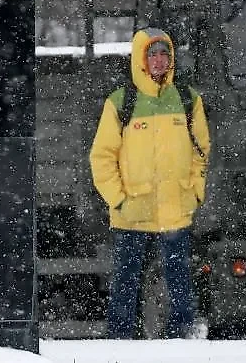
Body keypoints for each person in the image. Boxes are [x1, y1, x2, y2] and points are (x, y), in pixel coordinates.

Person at [89, 27, 211, 339]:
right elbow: (102, 157)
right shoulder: (121, 102)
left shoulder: (187, 99)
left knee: (179, 280)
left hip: (176, 209)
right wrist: (119, 200)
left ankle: (180, 341)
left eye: (164, 53)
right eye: (152, 53)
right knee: (126, 284)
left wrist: (195, 191)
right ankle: (120, 345)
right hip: (132, 211)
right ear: (141, 59)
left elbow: (201, 152)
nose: (159, 60)